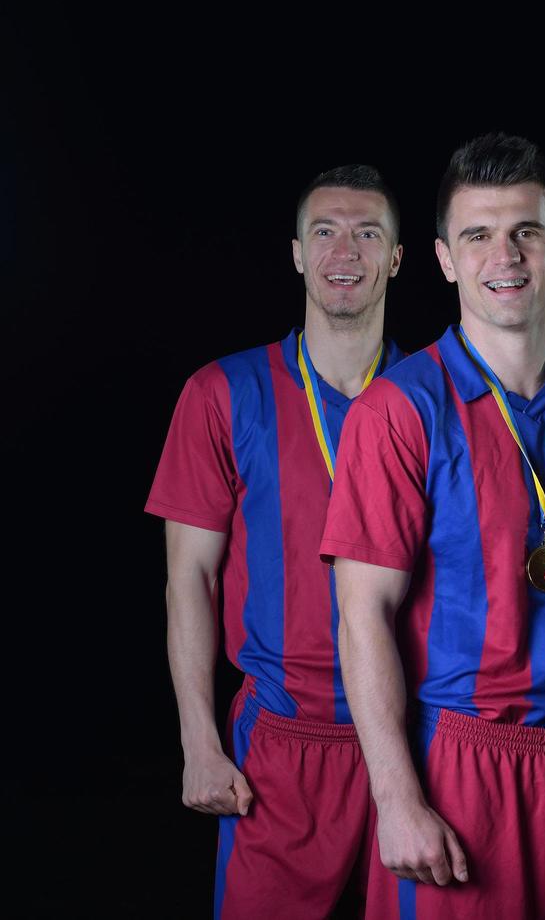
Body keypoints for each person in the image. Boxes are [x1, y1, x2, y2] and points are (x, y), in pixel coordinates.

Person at [320, 132, 545, 919]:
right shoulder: (398, 410)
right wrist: (396, 799)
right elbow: (361, 614)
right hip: (463, 762)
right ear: (444, 258)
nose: (503, 255)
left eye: (526, 232)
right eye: (477, 235)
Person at [146, 165, 407, 918]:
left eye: (367, 232)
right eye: (323, 231)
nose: (343, 250)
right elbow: (187, 579)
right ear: (296, 253)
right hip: (282, 745)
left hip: (413, 734)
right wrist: (199, 741)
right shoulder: (222, 392)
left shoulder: (433, 396)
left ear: (396, 258)